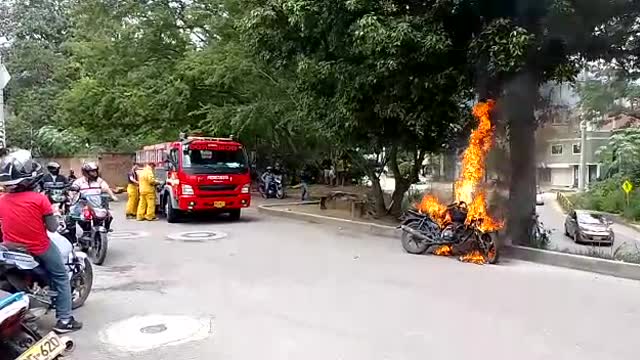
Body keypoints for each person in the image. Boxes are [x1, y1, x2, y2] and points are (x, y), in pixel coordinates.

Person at [0, 149, 82, 333]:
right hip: (38, 248)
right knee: (61, 277)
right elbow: (53, 228)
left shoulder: (2, 200)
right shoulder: (39, 199)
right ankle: (65, 320)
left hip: (10, 249)